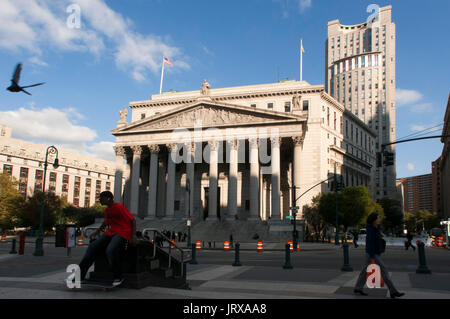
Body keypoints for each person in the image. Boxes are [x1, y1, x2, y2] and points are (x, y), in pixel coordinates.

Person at [78, 191, 136, 287]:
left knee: (111, 250)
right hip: (111, 232)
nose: (99, 200)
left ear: (108, 198)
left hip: (122, 232)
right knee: (92, 247)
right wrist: (97, 232)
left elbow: (132, 220)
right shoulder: (107, 210)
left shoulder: (119, 207)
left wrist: (133, 236)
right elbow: (106, 222)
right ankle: (79, 276)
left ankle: (118, 276)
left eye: (101, 198)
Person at [354, 212, 405, 299]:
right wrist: (372, 255)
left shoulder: (375, 228)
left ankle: (358, 288)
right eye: (378, 218)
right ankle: (393, 291)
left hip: (373, 253)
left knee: (365, 271)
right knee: (384, 271)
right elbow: (370, 243)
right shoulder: (371, 229)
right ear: (374, 220)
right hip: (372, 253)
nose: (379, 219)